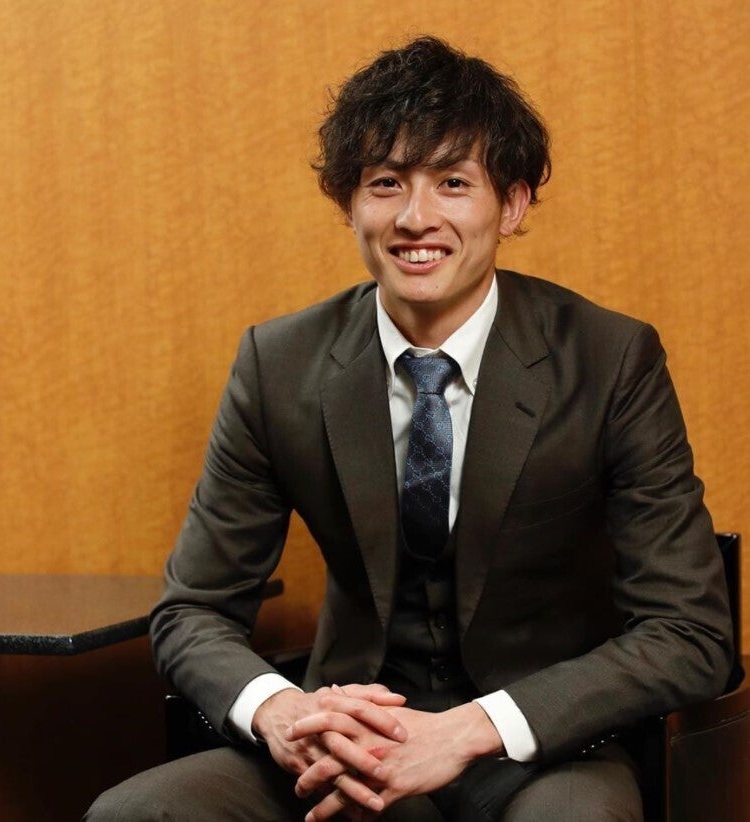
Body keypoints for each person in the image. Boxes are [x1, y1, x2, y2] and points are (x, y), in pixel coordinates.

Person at [86, 36, 733, 821]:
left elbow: (690, 632)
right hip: (346, 738)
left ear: (512, 204)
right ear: (349, 204)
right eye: (386, 184)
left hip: (540, 749)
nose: (415, 218)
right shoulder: (278, 363)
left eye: (453, 183)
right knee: (134, 814)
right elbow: (192, 611)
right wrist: (282, 713)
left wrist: (472, 729)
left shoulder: (609, 359)